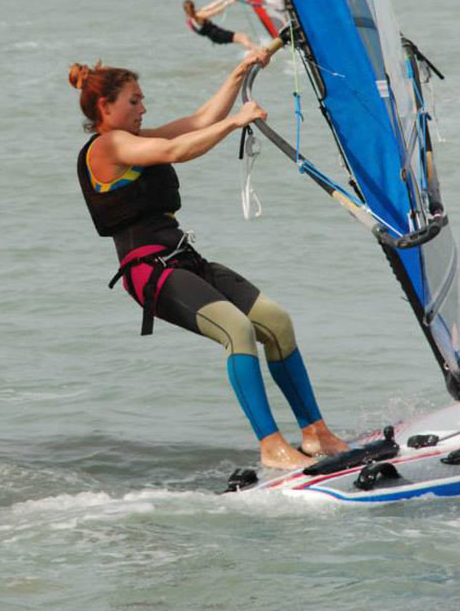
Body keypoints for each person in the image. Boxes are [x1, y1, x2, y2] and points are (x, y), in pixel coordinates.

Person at [69, 56, 347, 470]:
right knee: (238, 330)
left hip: (184, 258)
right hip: (149, 272)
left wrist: (240, 72)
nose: (143, 108)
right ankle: (270, 445)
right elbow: (177, 150)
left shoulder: (136, 139)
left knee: (276, 321)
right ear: (106, 109)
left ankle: (315, 432)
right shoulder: (109, 146)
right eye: (134, 100)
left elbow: (199, 120)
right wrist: (236, 122)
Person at [183, 0, 257, 50]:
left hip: (215, 35)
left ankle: (255, 51)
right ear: (193, 6)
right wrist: (229, 2)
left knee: (243, 38)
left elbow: (210, 6)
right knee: (243, 38)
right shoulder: (199, 15)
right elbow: (214, 12)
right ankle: (258, 51)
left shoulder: (191, 17)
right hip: (217, 34)